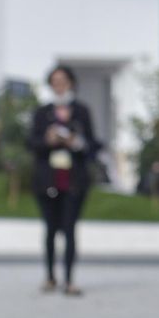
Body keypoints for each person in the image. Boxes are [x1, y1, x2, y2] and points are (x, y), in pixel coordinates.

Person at [28, 65, 100, 296]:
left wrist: (74, 143)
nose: (59, 85)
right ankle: (50, 276)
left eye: (64, 80)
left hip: (73, 180)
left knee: (69, 229)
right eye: (55, 81)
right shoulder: (42, 113)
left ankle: (69, 280)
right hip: (48, 179)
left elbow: (92, 145)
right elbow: (31, 143)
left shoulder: (81, 111)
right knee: (50, 229)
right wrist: (47, 140)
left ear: (71, 82)